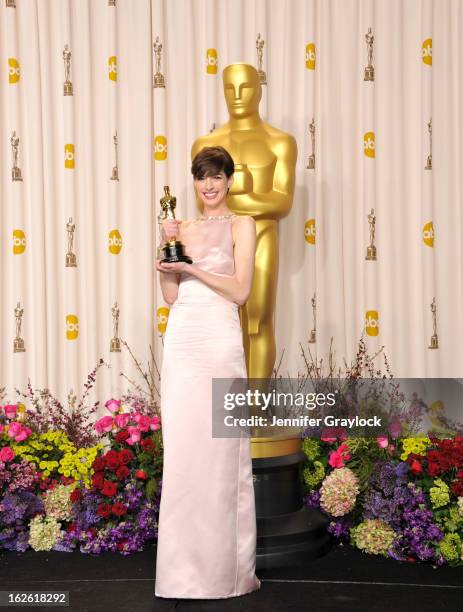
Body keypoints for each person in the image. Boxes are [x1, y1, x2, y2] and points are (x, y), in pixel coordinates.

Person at [154, 146, 261, 599]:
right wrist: (165, 253)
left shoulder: (242, 224)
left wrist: (191, 267)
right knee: (183, 449)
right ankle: (181, 574)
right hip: (183, 339)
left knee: (220, 451)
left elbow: (240, 292)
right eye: (202, 178)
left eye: (217, 177)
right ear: (194, 183)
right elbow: (171, 296)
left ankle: (227, 574)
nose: (210, 185)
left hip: (218, 337)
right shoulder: (184, 227)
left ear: (230, 181)